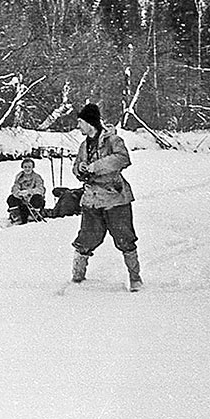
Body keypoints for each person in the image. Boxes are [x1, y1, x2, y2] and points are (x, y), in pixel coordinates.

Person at [70, 103, 143, 292]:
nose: (78, 126)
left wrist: (96, 166)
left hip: (115, 198)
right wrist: (80, 169)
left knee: (125, 239)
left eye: (80, 122)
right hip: (91, 199)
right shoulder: (83, 145)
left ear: (89, 122)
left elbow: (123, 158)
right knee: (86, 239)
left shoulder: (113, 140)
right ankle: (77, 277)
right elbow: (76, 167)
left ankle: (135, 279)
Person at [7, 157, 46, 224]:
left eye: (29, 167)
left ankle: (33, 215)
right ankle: (16, 216)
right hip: (22, 198)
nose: (27, 169)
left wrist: (30, 192)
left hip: (32, 197)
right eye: (25, 167)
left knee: (37, 198)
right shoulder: (19, 177)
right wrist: (19, 193)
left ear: (32, 167)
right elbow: (15, 187)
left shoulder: (37, 177)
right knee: (11, 198)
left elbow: (40, 188)